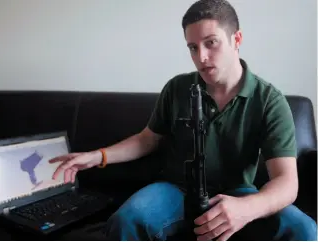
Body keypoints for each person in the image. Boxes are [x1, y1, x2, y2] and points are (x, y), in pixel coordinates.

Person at [49, 0, 317, 240]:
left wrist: (247, 208)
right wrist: (97, 157)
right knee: (126, 220)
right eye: (192, 47)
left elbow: (286, 182)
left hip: (238, 192)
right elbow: (147, 140)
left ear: (237, 39)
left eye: (211, 43)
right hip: (176, 190)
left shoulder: (269, 100)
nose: (201, 58)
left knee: (304, 230)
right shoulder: (177, 88)